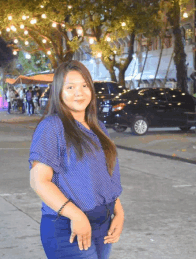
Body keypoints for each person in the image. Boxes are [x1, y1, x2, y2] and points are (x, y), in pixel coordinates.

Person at [29, 60, 124, 259]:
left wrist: (119, 212)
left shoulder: (97, 126)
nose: (79, 92)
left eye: (84, 85)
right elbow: (39, 181)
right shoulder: (52, 127)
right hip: (68, 226)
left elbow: (104, 176)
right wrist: (76, 215)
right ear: (58, 92)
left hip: (102, 223)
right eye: (70, 87)